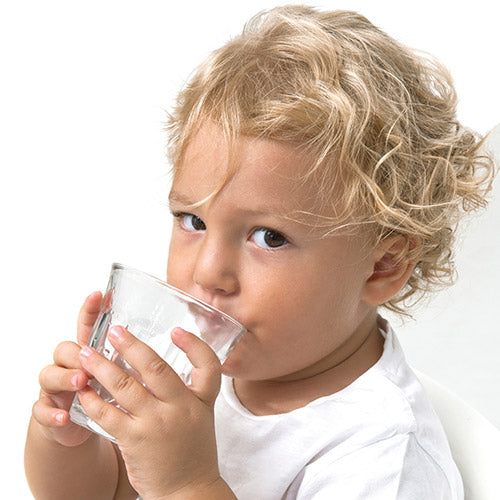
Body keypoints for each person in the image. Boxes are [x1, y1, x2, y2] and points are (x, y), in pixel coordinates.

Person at [25, 5, 496, 499]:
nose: (208, 273)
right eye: (194, 221)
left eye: (269, 237)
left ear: (383, 265)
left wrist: (188, 482)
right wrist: (70, 438)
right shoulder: (198, 369)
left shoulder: (382, 460)